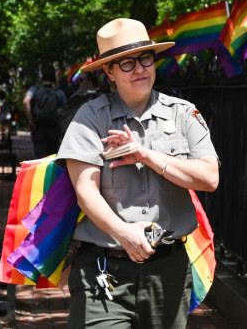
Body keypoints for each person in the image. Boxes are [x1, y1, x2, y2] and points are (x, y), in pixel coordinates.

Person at [57, 18, 219, 328]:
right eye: (127, 63)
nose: (140, 69)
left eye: (145, 58)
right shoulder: (90, 118)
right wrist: (124, 233)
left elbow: (209, 178)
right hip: (104, 269)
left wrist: (146, 155)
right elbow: (85, 192)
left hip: (168, 271)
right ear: (109, 72)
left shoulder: (183, 113)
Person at [23, 65, 67, 158]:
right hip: (54, 129)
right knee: (52, 158)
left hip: (38, 128)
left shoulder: (35, 89)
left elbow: (25, 102)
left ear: (41, 75)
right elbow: (65, 110)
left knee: (40, 158)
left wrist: (30, 121)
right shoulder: (59, 92)